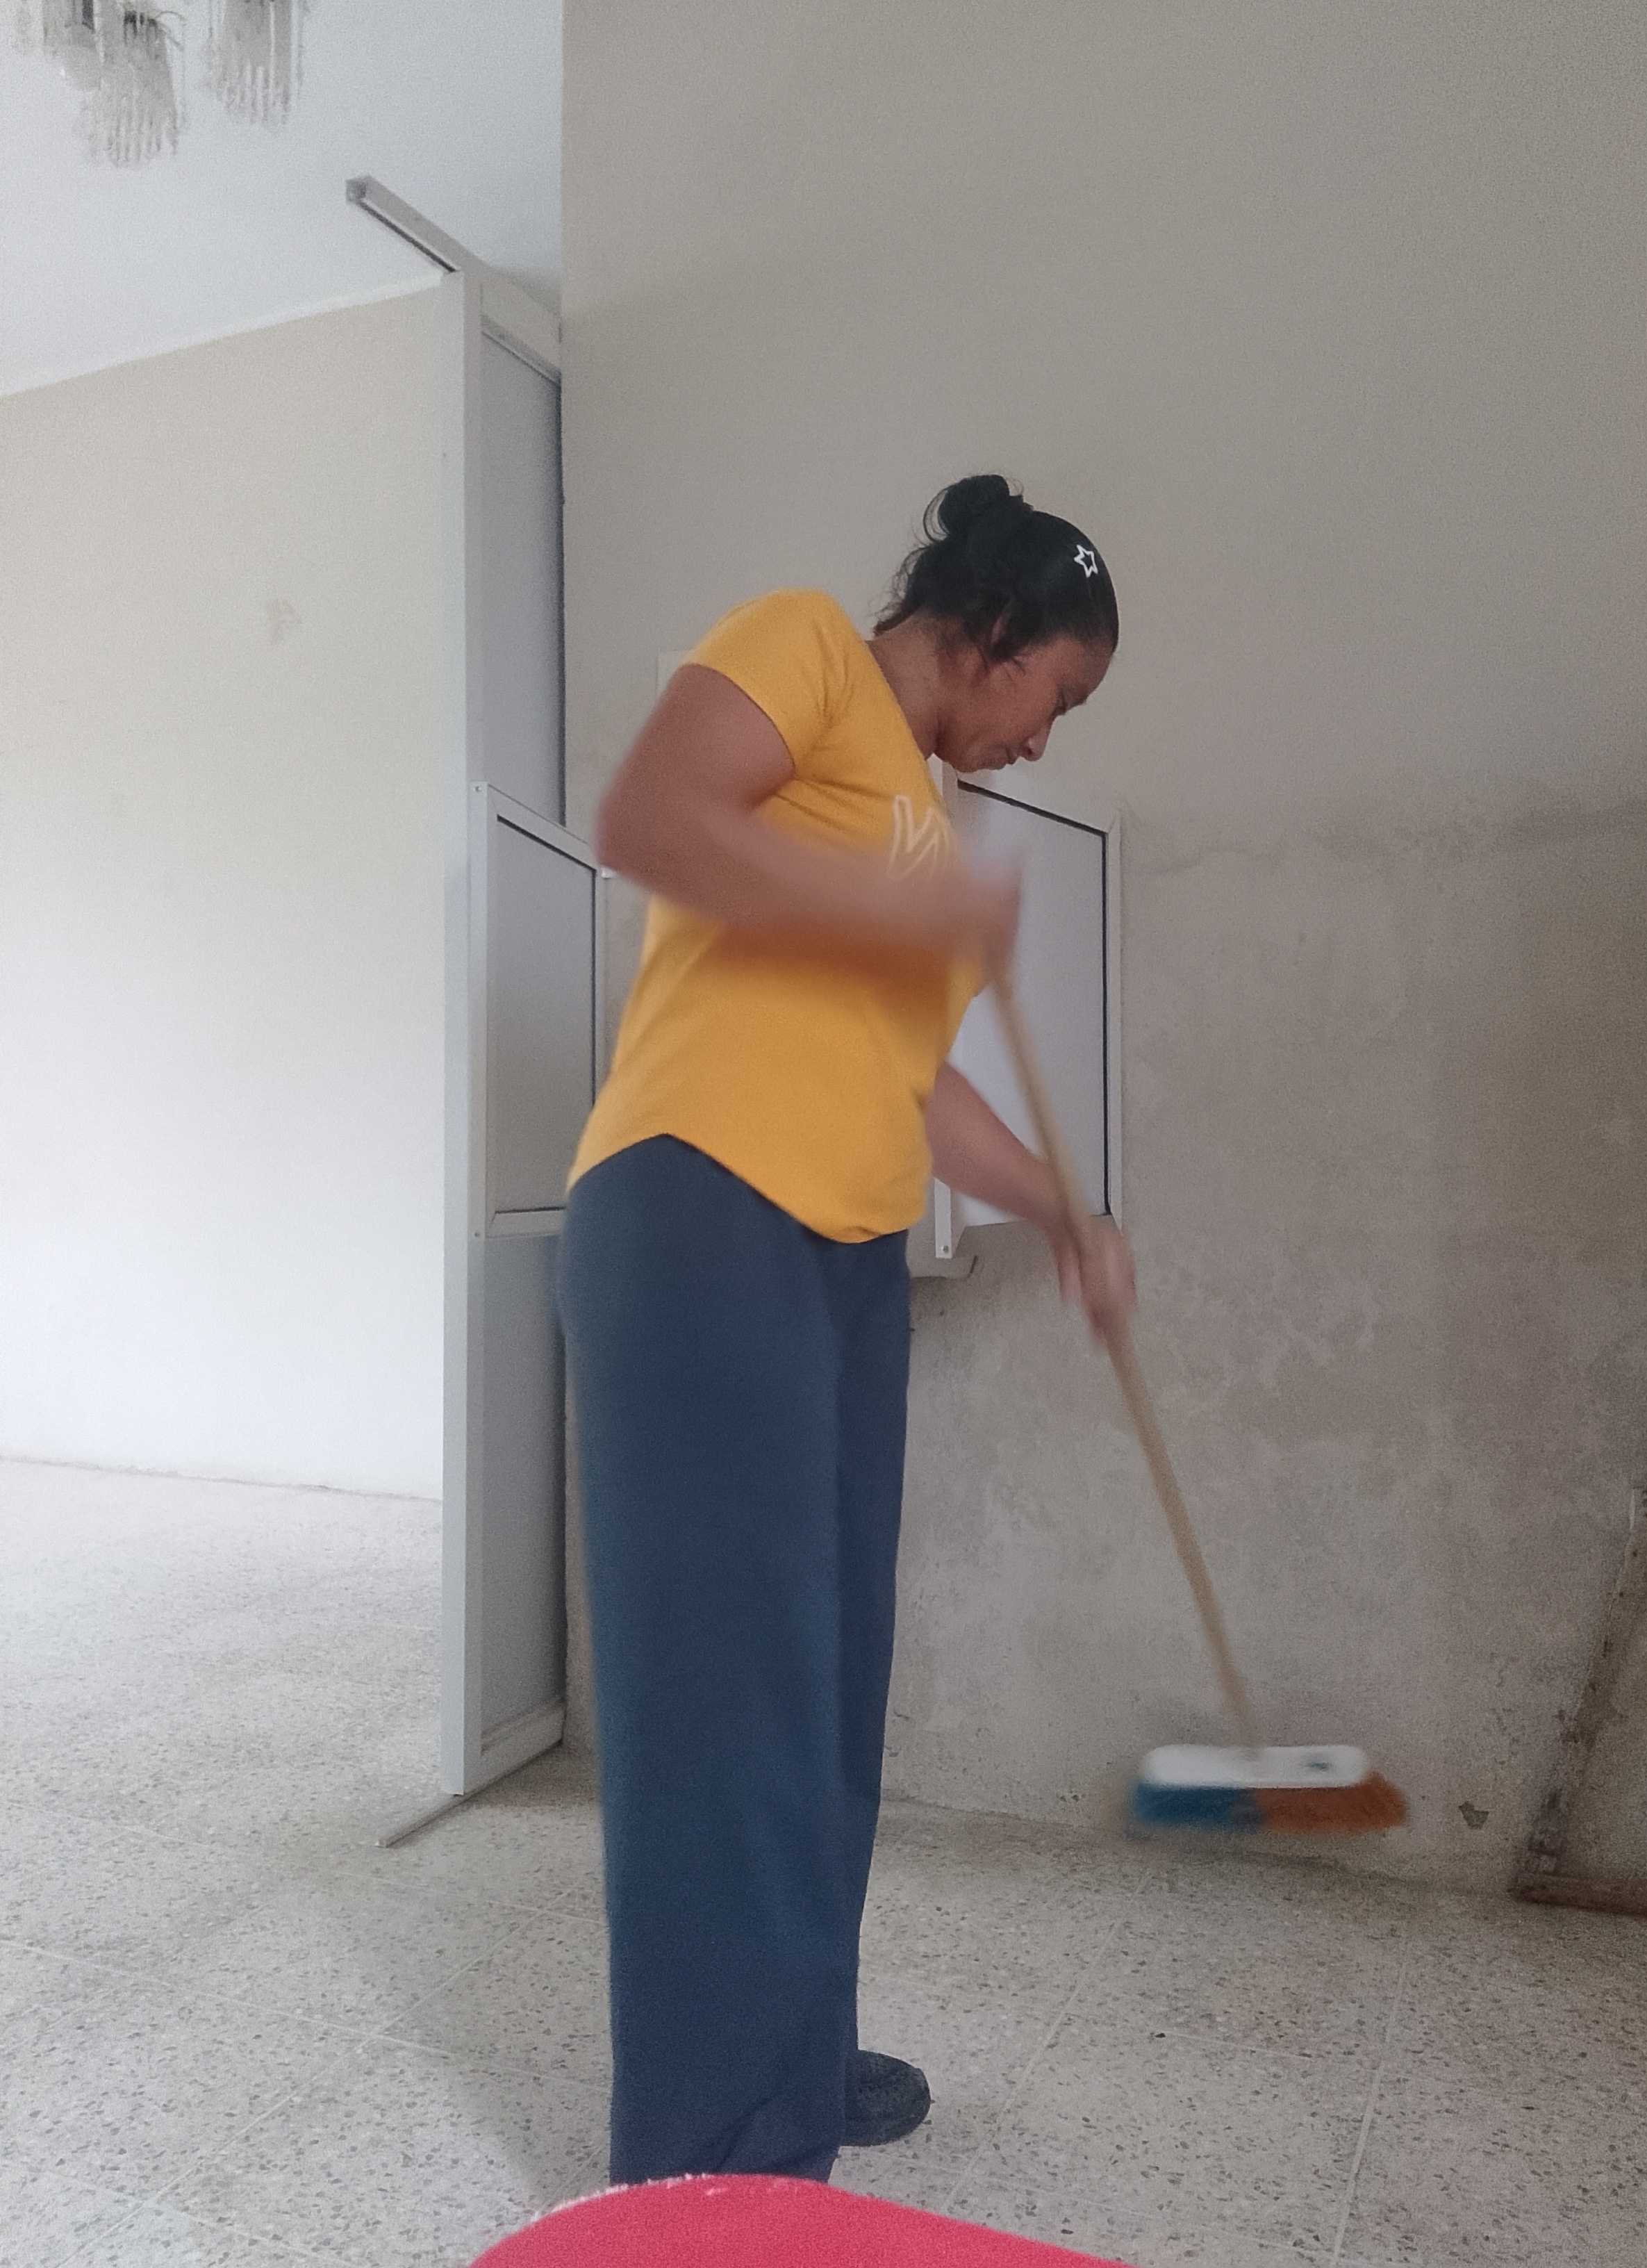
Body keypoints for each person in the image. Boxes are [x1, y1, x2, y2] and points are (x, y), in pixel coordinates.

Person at [554, 472, 1136, 2189]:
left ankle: (793, 2047)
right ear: (996, 632)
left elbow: (916, 1083)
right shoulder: (803, 647)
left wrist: (1066, 1211)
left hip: (844, 1258)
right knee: (723, 1694)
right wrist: (906, 912)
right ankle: (714, 2148)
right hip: (700, 1205)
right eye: (1056, 696)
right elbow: (651, 819)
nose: (1043, 741)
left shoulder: (925, 830)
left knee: (822, 1689)